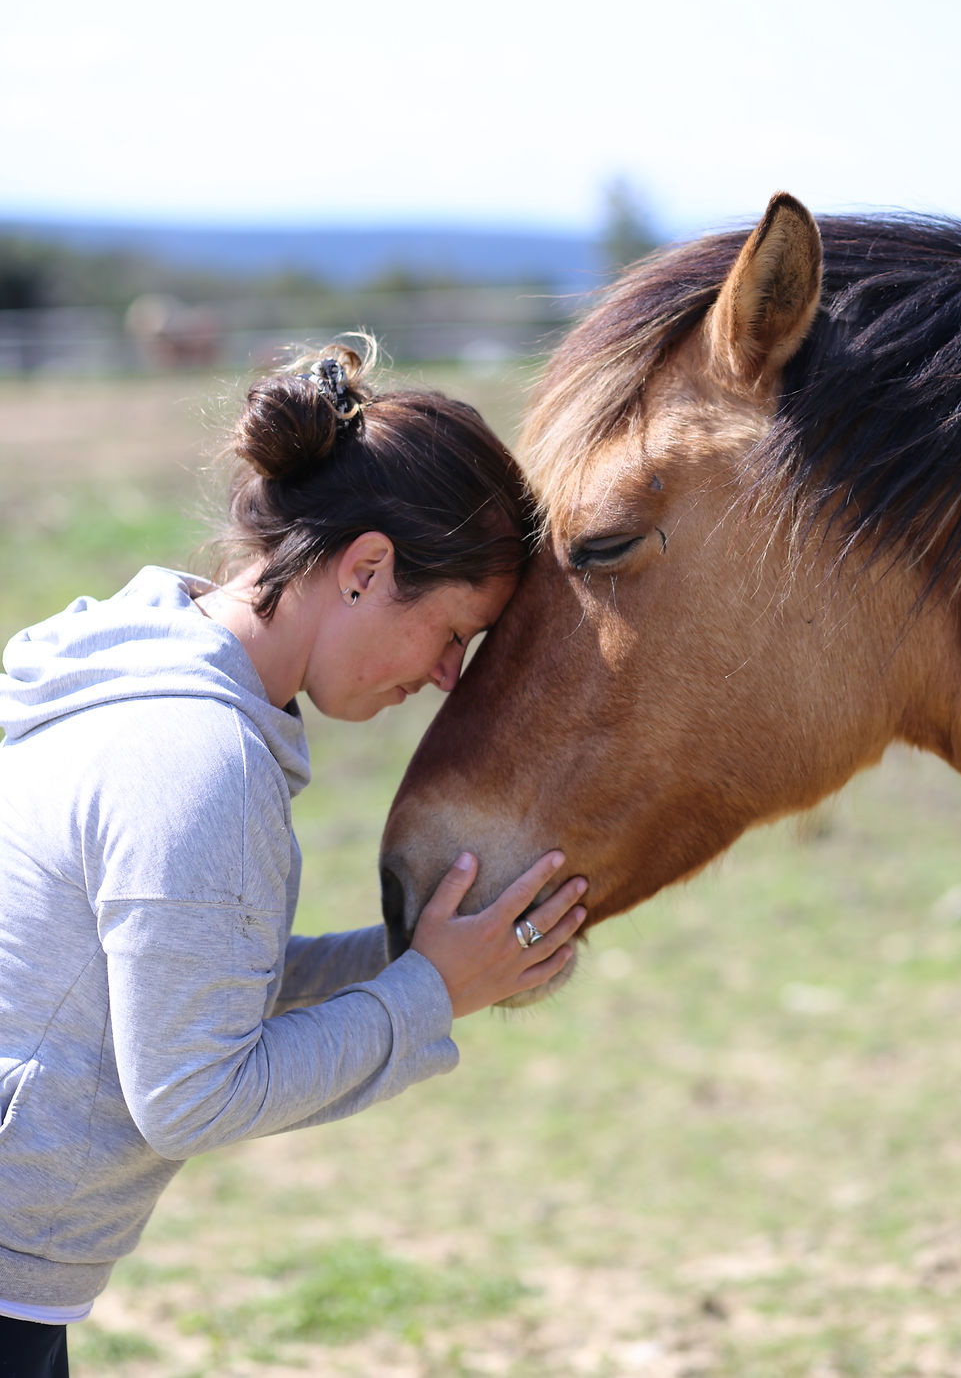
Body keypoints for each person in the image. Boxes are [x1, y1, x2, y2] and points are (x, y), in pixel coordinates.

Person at [0, 341, 587, 1377]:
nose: (450, 677)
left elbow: (186, 980)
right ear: (365, 571)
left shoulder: (137, 674)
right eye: (455, 632)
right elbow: (190, 1089)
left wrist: (423, 958)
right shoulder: (198, 761)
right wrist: (427, 998)